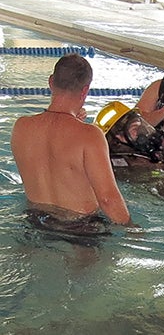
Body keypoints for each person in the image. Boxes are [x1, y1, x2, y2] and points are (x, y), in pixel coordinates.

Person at [11, 53, 134, 236]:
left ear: (51, 82)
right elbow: (108, 199)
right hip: (81, 229)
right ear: (85, 90)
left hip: (35, 224)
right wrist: (133, 231)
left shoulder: (21, 127)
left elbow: (51, 148)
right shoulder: (90, 136)